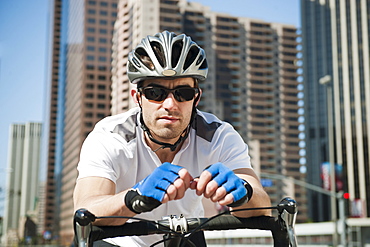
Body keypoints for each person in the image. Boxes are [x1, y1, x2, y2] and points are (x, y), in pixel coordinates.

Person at [73, 30, 271, 246]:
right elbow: (85, 209)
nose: (170, 104)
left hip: (186, 236)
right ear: (137, 97)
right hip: (119, 239)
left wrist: (243, 193)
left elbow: (262, 204)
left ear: (196, 98)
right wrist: (134, 198)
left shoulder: (219, 136)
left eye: (183, 93)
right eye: (155, 93)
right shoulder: (111, 136)